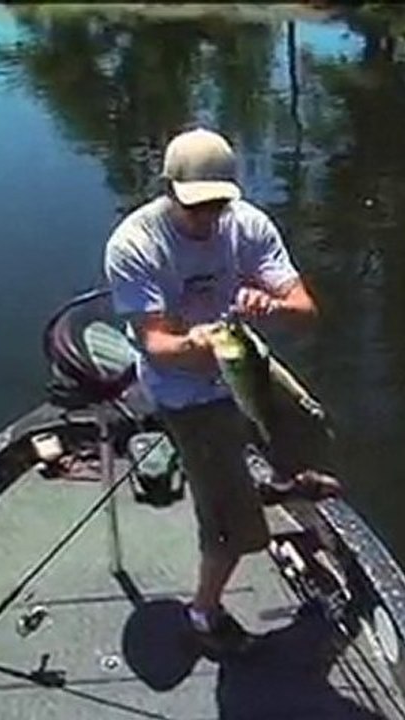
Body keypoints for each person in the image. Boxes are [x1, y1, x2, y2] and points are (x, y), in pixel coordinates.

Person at [104, 127, 320, 656]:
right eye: (195, 206)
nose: (207, 218)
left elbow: (306, 311)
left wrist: (275, 308)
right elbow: (155, 343)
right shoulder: (134, 244)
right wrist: (195, 342)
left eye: (217, 204)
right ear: (168, 188)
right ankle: (203, 614)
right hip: (183, 389)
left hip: (239, 358)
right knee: (234, 529)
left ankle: (277, 478)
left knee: (309, 422)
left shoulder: (246, 225)